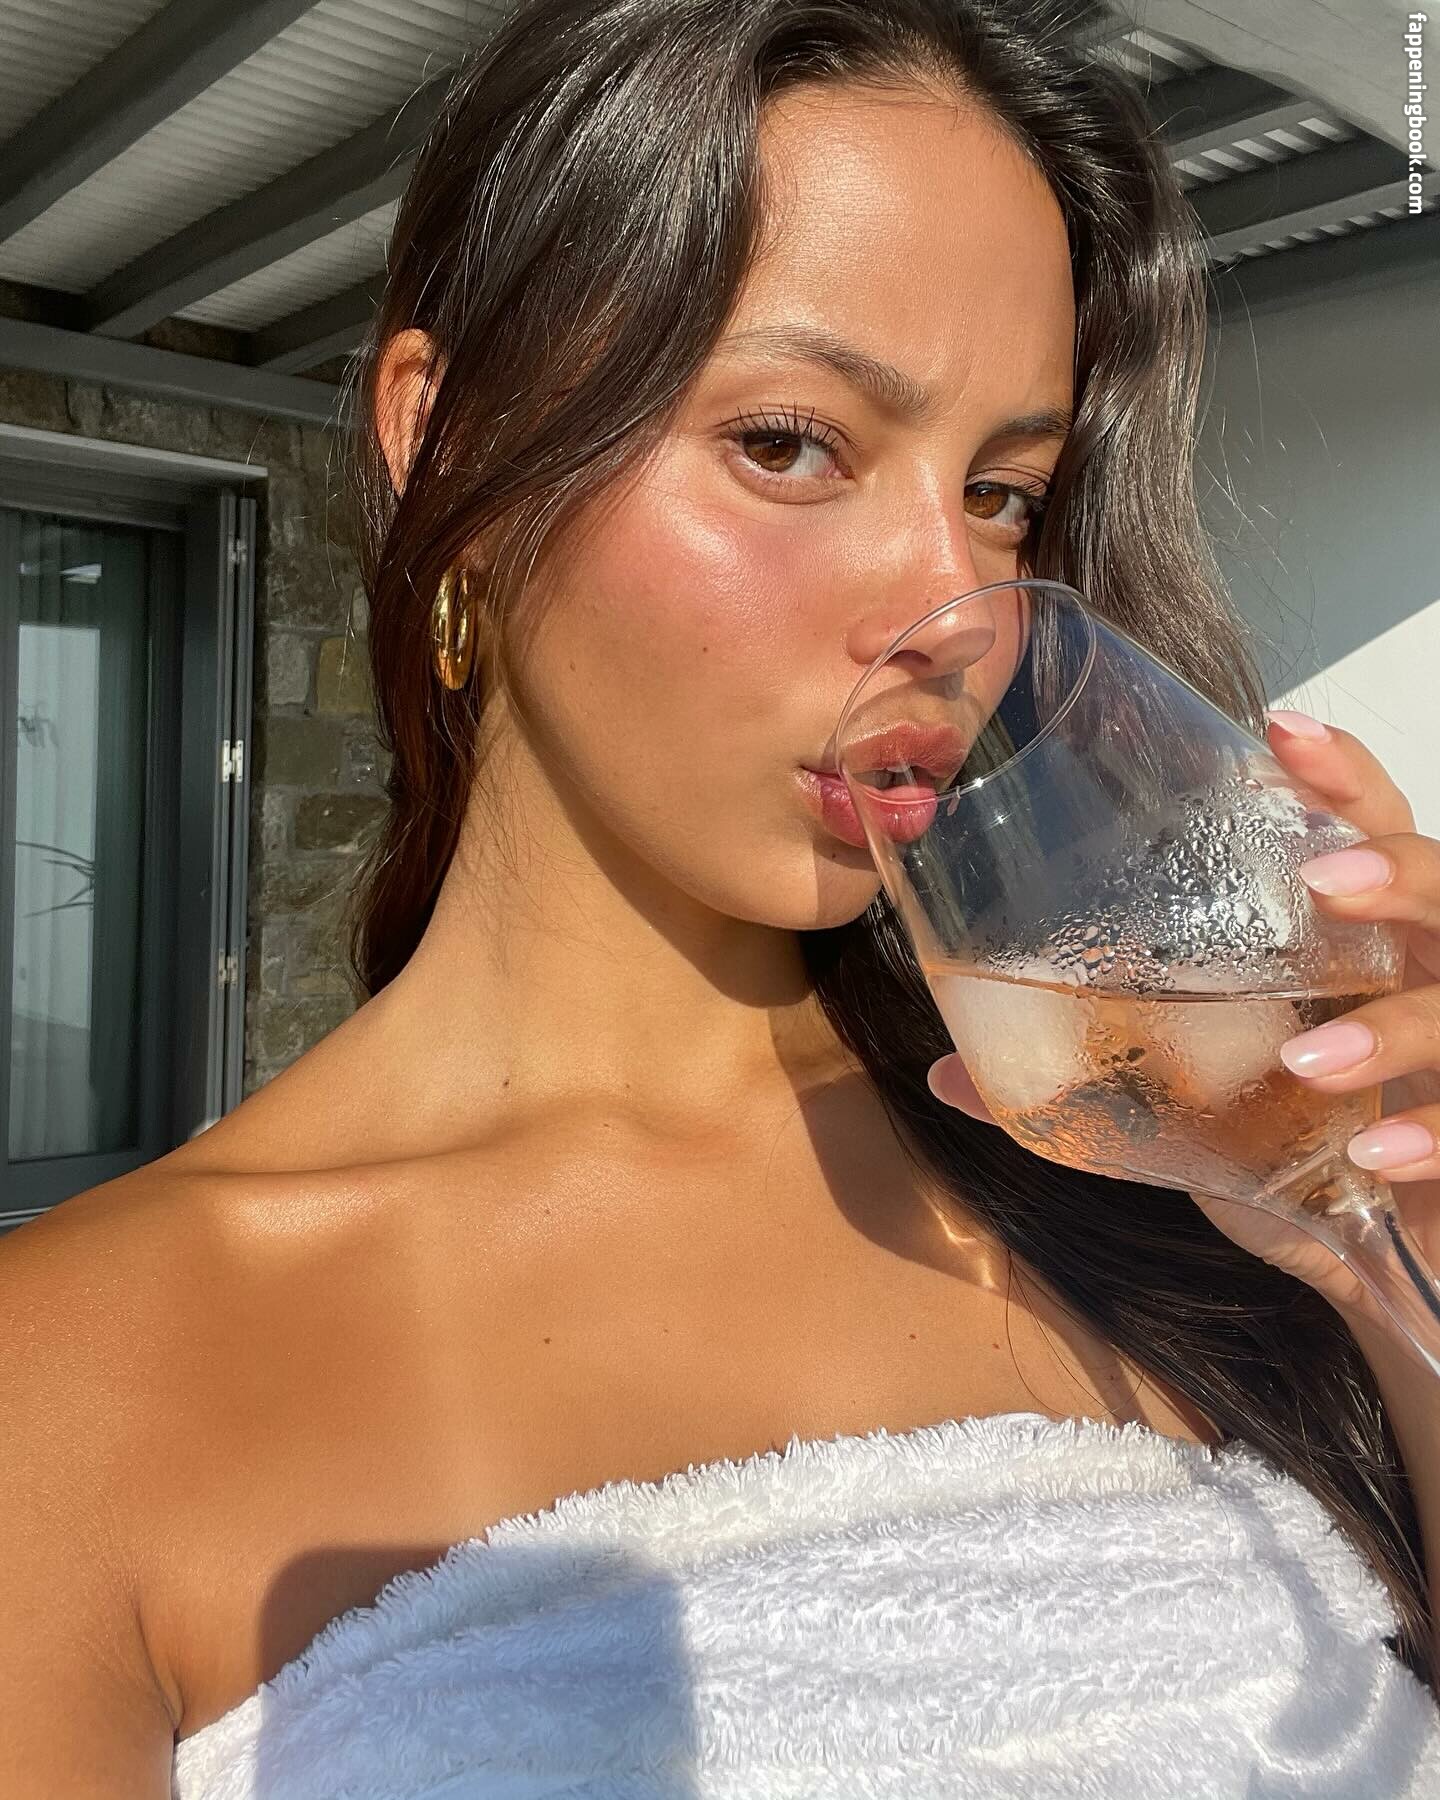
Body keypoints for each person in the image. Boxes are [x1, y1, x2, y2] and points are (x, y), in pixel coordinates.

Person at [4, 0, 1440, 1792]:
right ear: (445, 443)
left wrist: (1396, 1260)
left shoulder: (1160, 1157)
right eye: (789, 443)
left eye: (1004, 493)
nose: (942, 608)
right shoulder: (63, 1390)